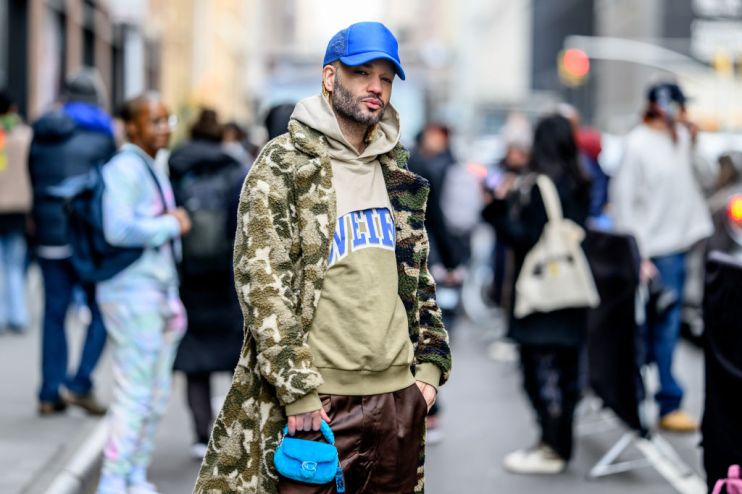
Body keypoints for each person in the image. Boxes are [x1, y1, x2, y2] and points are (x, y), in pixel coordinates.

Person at [194, 21, 452, 494]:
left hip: (398, 398)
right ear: (330, 77)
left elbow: (418, 278)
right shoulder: (284, 164)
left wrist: (429, 373)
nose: (376, 87)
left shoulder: (396, 170)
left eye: (386, 78)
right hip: (317, 404)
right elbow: (260, 282)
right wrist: (299, 392)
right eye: (362, 73)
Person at [482, 114, 592, 474]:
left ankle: (551, 446)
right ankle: (560, 445)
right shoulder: (580, 180)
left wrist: (495, 211)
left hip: (542, 295)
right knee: (568, 375)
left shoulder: (540, 184)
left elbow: (525, 238)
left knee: (538, 372)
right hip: (571, 291)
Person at [95, 94, 191, 494]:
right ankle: (113, 478)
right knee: (136, 392)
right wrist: (170, 224)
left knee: (154, 393)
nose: (165, 126)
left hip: (156, 291)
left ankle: (133, 472)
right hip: (132, 292)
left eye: (167, 119)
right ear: (131, 127)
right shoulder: (124, 168)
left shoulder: (151, 164)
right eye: (155, 121)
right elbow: (116, 230)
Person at [610, 82, 714, 433]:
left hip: (681, 247)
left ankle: (659, 397)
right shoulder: (637, 145)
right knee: (657, 330)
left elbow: (710, 178)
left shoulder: (681, 139)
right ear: (668, 107)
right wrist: (637, 256)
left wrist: (694, 140)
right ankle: (660, 400)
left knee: (663, 330)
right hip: (655, 253)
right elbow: (623, 203)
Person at [28, 69, 115, 415]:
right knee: (101, 310)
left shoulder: (41, 132)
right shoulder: (103, 136)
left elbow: (33, 177)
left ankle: (49, 392)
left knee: (54, 314)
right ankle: (79, 383)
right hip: (84, 239)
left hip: (49, 234)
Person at [169, 108, 246, 460]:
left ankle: (200, 436)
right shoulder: (235, 170)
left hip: (188, 277)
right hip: (227, 276)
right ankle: (234, 433)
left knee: (194, 361)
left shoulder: (174, 167)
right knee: (236, 358)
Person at [0, 91, 33, 334]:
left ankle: (2, 316)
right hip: (19, 209)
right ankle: (18, 315)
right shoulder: (24, 136)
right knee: (15, 264)